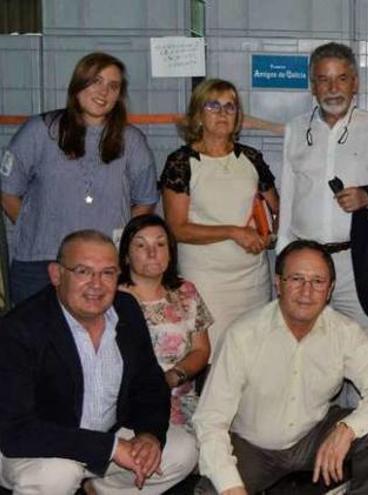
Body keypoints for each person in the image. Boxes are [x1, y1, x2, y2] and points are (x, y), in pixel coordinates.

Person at [193, 240, 368, 495]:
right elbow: (210, 419)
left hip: (312, 436)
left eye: (317, 281)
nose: (307, 291)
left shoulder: (344, 332)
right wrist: (231, 487)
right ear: (278, 283)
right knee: (213, 490)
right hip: (252, 445)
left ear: (330, 290)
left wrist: (348, 429)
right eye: (296, 279)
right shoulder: (243, 335)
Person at [0, 229, 198, 494]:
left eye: (107, 273)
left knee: (182, 451)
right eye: (83, 271)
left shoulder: (125, 308)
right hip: (35, 448)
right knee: (58, 475)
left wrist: (149, 436)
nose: (97, 284)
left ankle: (98, 489)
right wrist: (111, 448)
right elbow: (16, 431)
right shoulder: (20, 329)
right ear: (56, 274)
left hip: (105, 437)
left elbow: (149, 384)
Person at [276, 42, 368, 360]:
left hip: (354, 261)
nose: (333, 89)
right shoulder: (295, 129)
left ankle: (358, 412)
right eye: (324, 80)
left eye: (341, 79)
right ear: (312, 86)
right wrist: (282, 261)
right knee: (304, 354)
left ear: (355, 82)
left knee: (360, 354)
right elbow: (288, 197)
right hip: (304, 262)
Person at [1, 52, 158, 305]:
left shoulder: (133, 141)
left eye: (113, 86)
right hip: (40, 266)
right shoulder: (39, 131)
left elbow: (145, 200)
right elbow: (8, 191)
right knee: (34, 341)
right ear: (78, 84)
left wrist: (118, 247)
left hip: (103, 268)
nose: (104, 91)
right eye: (96, 81)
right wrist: (36, 226)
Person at [160, 78, 278, 359]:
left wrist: (268, 235)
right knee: (209, 359)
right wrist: (233, 232)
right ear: (198, 114)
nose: (223, 112)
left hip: (252, 281)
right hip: (205, 282)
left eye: (231, 106)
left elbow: (275, 210)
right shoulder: (181, 162)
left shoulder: (251, 158)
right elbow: (177, 229)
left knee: (251, 359)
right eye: (213, 105)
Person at [118, 214, 212, 431]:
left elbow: (201, 350)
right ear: (126, 256)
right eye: (141, 245)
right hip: (128, 401)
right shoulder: (112, 298)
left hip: (179, 396)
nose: (152, 252)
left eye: (160, 244)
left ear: (170, 253)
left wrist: (174, 376)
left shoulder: (186, 291)